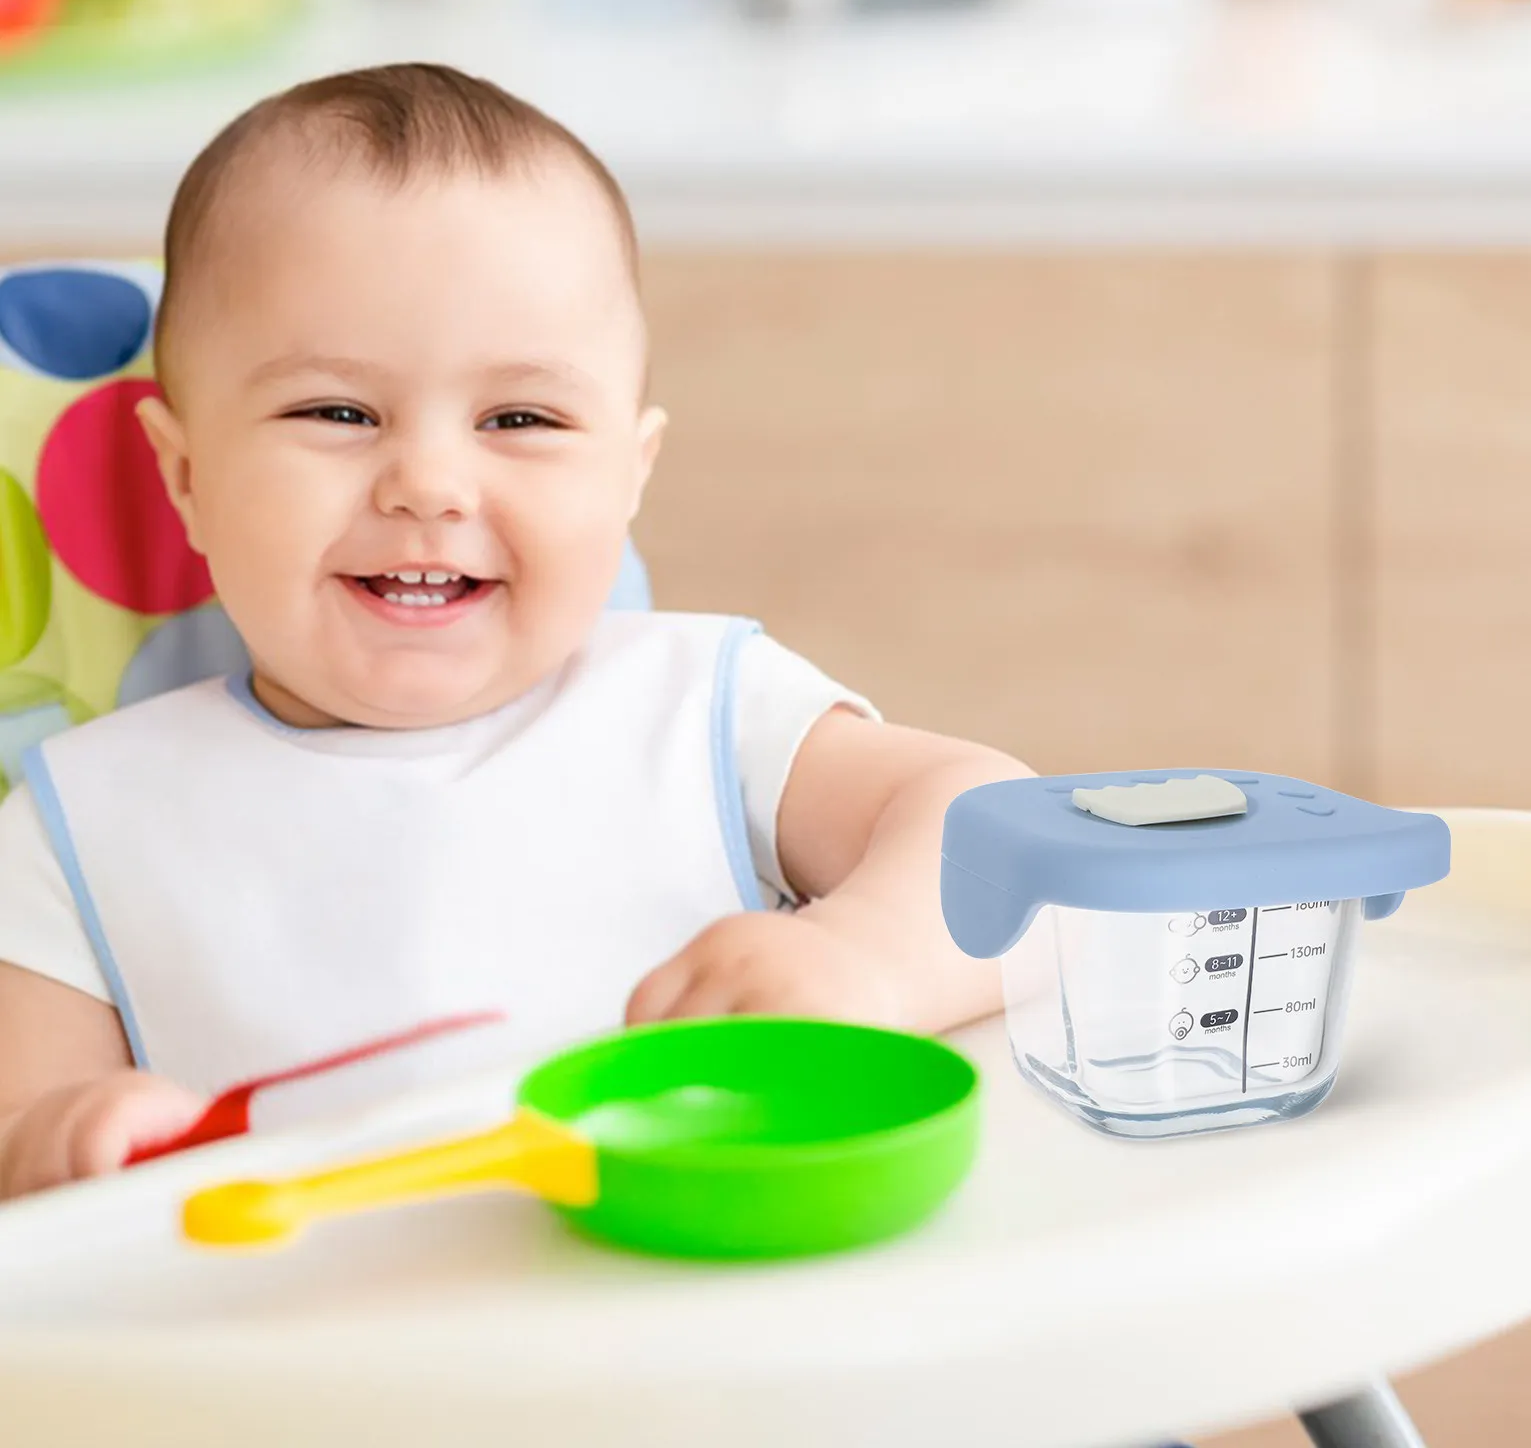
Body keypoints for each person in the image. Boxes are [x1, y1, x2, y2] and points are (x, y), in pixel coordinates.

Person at [0, 63, 1028, 1198]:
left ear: (629, 473)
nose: (429, 483)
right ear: (185, 475)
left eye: (521, 417)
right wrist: (63, 1147)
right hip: (316, 1361)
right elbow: (23, 1155)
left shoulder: (702, 709)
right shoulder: (74, 825)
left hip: (714, 1315)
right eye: (337, 412)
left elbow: (1007, 837)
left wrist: (860, 960)